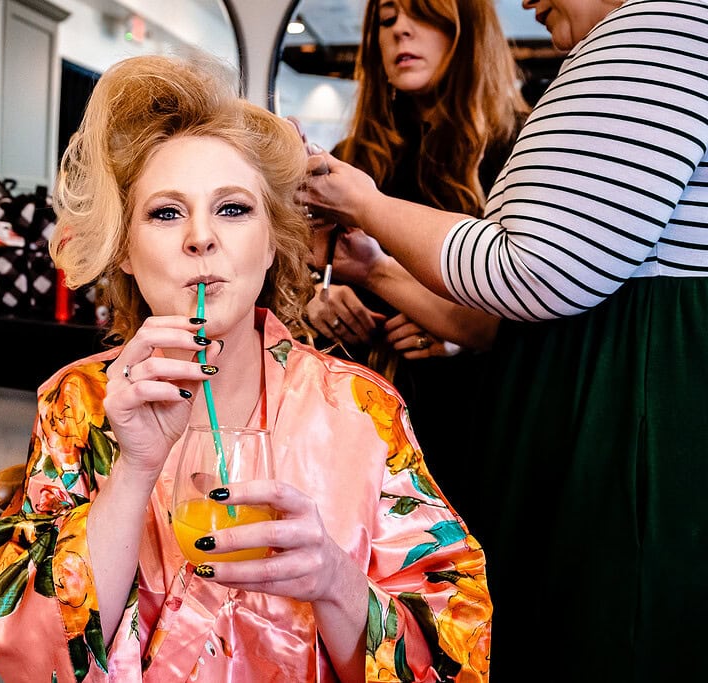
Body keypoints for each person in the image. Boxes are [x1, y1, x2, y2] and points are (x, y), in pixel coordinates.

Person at [0, 54, 491, 682]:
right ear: (126, 251)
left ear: (271, 243)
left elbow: (453, 653)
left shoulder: (361, 411)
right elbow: (30, 656)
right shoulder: (78, 404)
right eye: (165, 212)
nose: (200, 237)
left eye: (234, 209)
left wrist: (332, 579)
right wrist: (133, 472)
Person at [300, 0, 708, 679]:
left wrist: (369, 210)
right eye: (386, 17)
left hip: (610, 436)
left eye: (423, 15)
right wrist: (355, 273)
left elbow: (531, 272)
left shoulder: (661, 28)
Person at [303, 0, 528, 500]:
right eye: (386, 20)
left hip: (470, 413)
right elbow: (302, 270)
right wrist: (315, 299)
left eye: (421, 14)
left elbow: (534, 299)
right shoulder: (351, 158)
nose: (401, 30)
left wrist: (462, 335)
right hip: (359, 415)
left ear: (465, 29)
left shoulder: (517, 148)